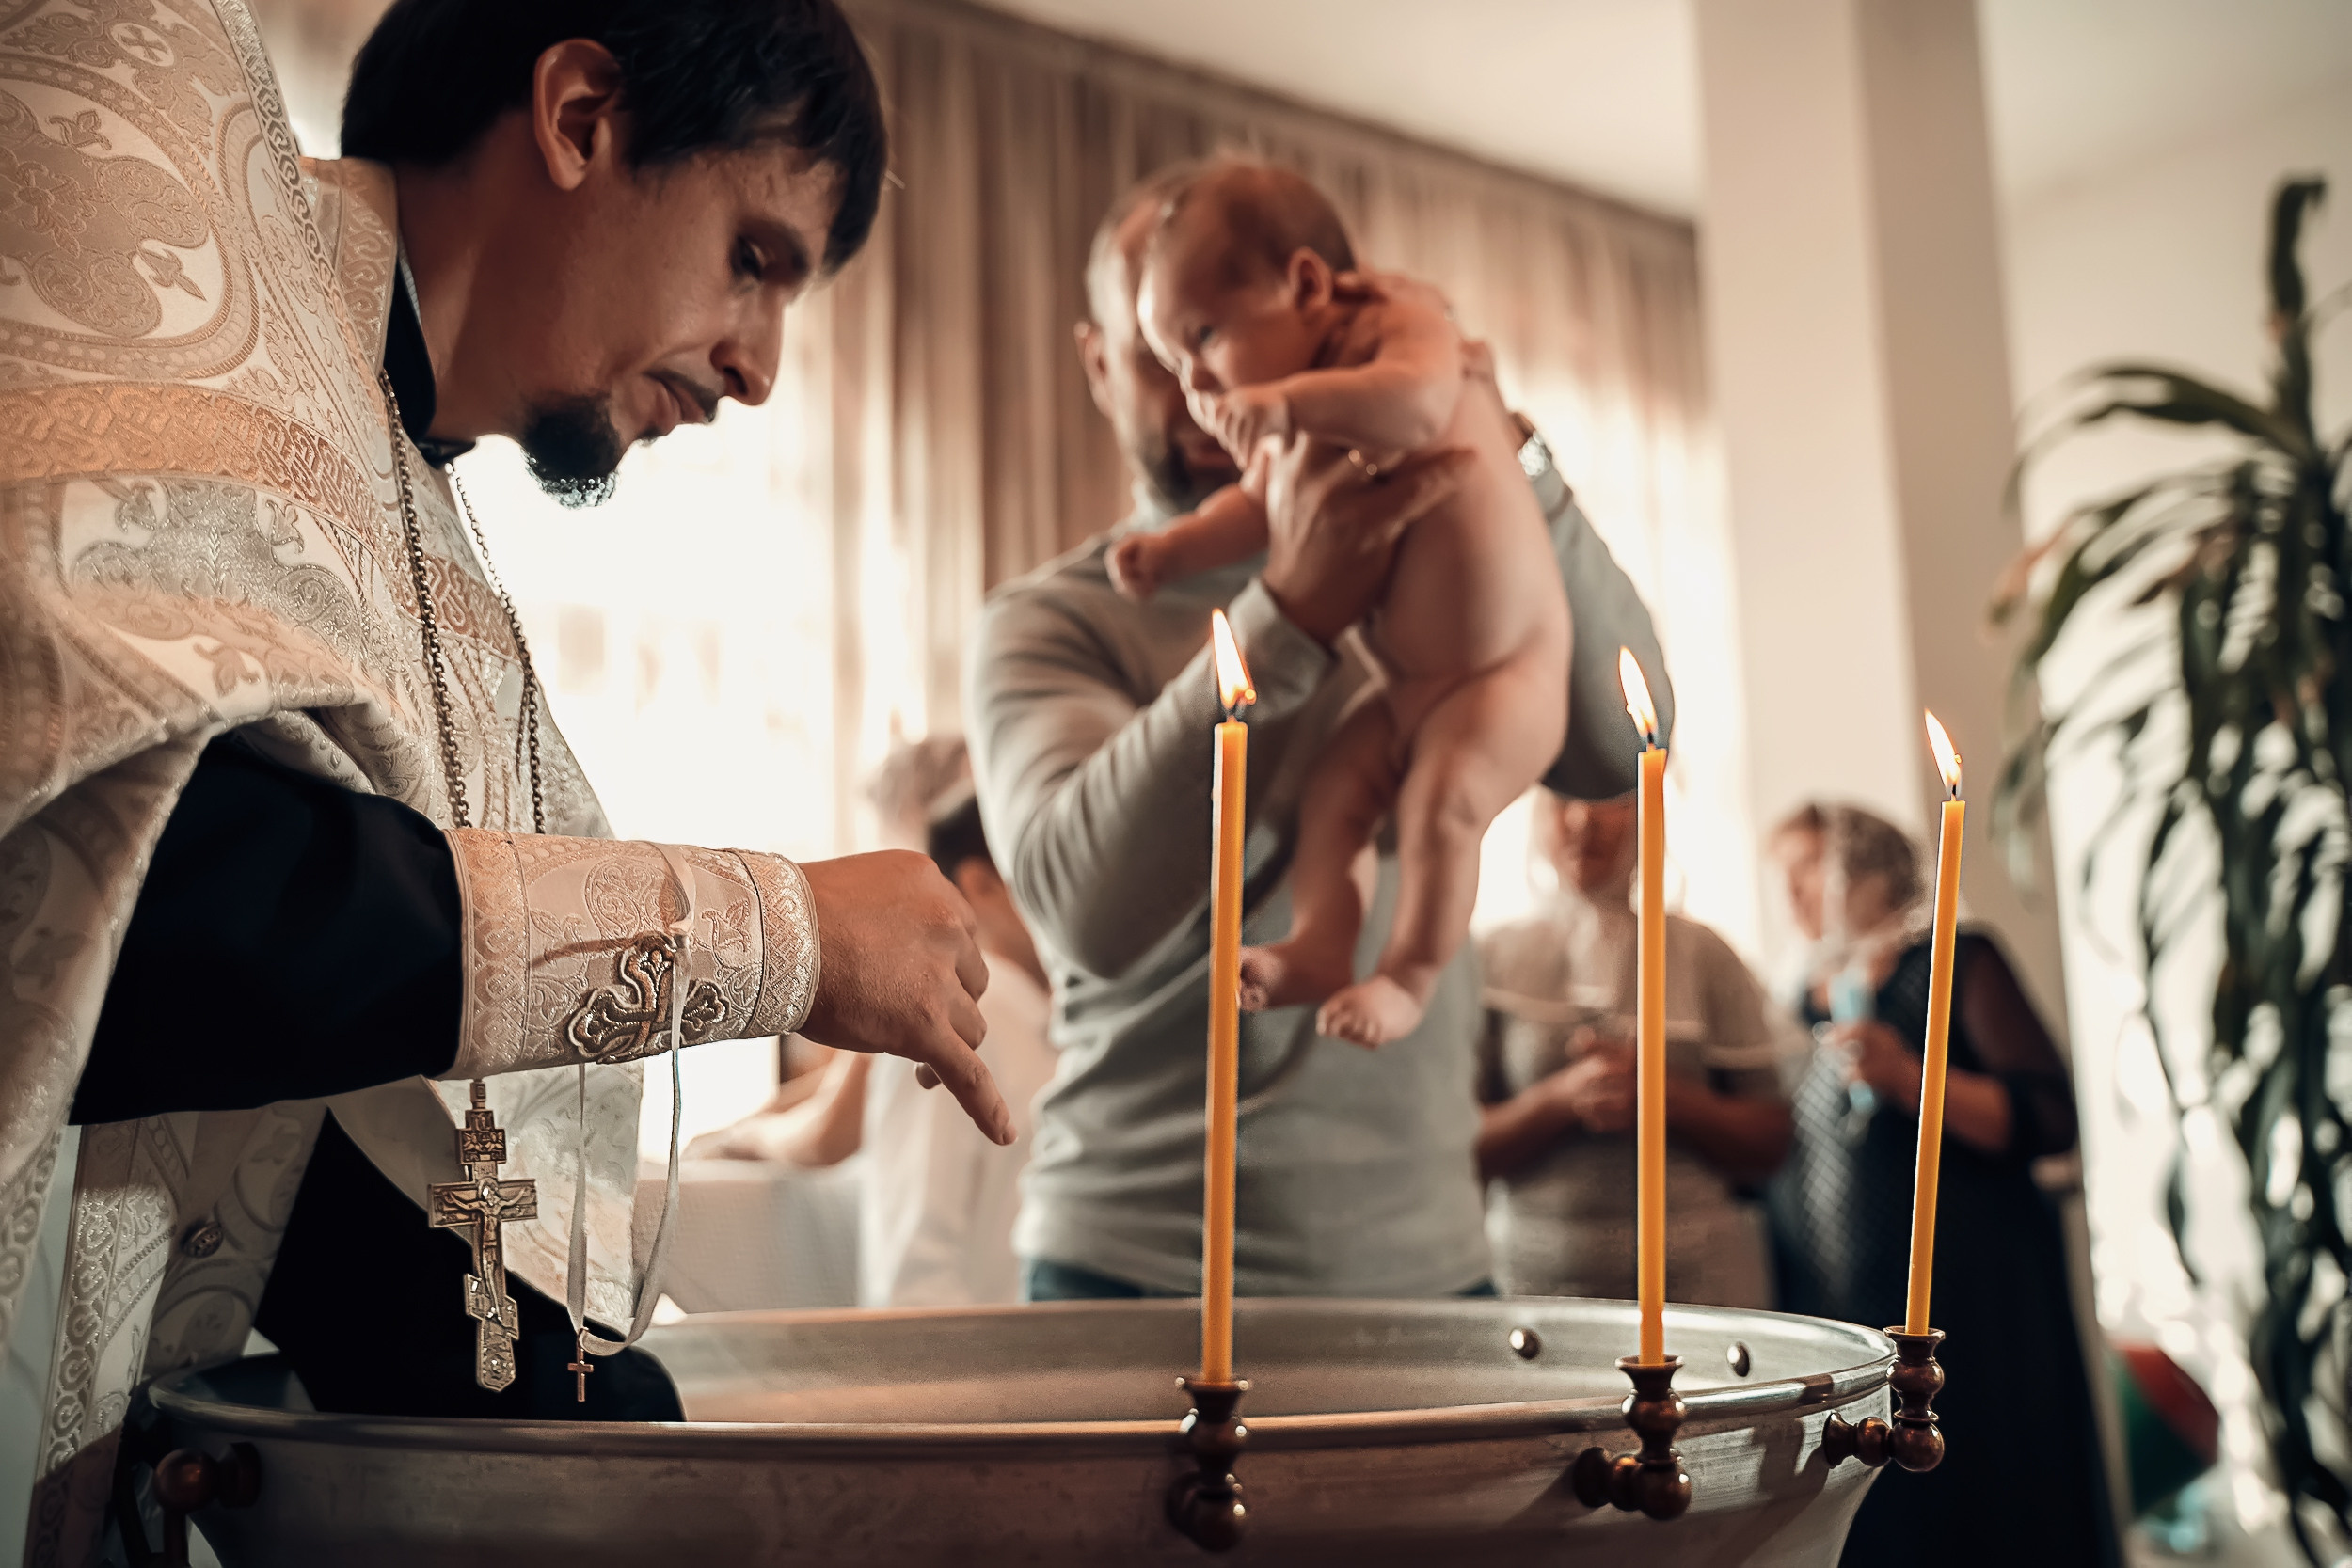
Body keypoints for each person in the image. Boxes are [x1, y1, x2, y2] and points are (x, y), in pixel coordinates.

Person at [0, 4, 1013, 1558]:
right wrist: (776, 934)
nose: (761, 369)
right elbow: (121, 900)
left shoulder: (411, 515)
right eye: (755, 256)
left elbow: (330, 1133)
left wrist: (627, 1455)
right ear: (582, 117)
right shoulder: (170, 219)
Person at [965, 159, 1673, 1305]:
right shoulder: (1053, 618)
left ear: (1320, 305)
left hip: (1431, 1259)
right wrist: (1287, 608)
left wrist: (1508, 448)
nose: (1203, 386)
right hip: (1141, 1267)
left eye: (1227, 335)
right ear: (1101, 363)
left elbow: (1620, 743)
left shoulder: (1441, 532)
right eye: (1159, 355)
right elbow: (1081, 909)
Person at [1112, 160, 1570, 1050]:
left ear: (1306, 283)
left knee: (1444, 802)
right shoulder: (1296, 425)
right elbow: (1256, 511)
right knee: (1334, 793)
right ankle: (1323, 944)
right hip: (1408, 685)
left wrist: (1282, 405)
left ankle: (1409, 971)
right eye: (1171, 361)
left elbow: (1415, 407)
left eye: (1205, 338)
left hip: (1506, 669)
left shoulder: (1400, 330)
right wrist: (1174, 550)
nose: (1198, 386)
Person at [1765, 802, 2119, 1568]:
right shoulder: (1800, 997)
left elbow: (2049, 1116)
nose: (1794, 896)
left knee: (1992, 1491)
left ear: (1866, 869)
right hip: (1847, 1300)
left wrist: (1907, 1076)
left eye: (1810, 872)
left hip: (1975, 1290)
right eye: (1781, 879)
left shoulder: (1954, 960)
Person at [1476, 791, 1790, 1304]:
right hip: (1536, 1284)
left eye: (1607, 801)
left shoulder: (1704, 954)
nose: (1583, 821)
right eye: (1564, 800)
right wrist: (1560, 1100)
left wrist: (1667, 1096)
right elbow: (1457, 1148)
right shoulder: (1491, 958)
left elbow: (1771, 1142)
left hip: (1694, 1280)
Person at [860, 792, 1058, 1307]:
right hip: (986, 1373)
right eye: (1052, 867)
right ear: (983, 885)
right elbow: (911, 1271)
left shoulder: (1051, 1025)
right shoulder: (947, 1025)